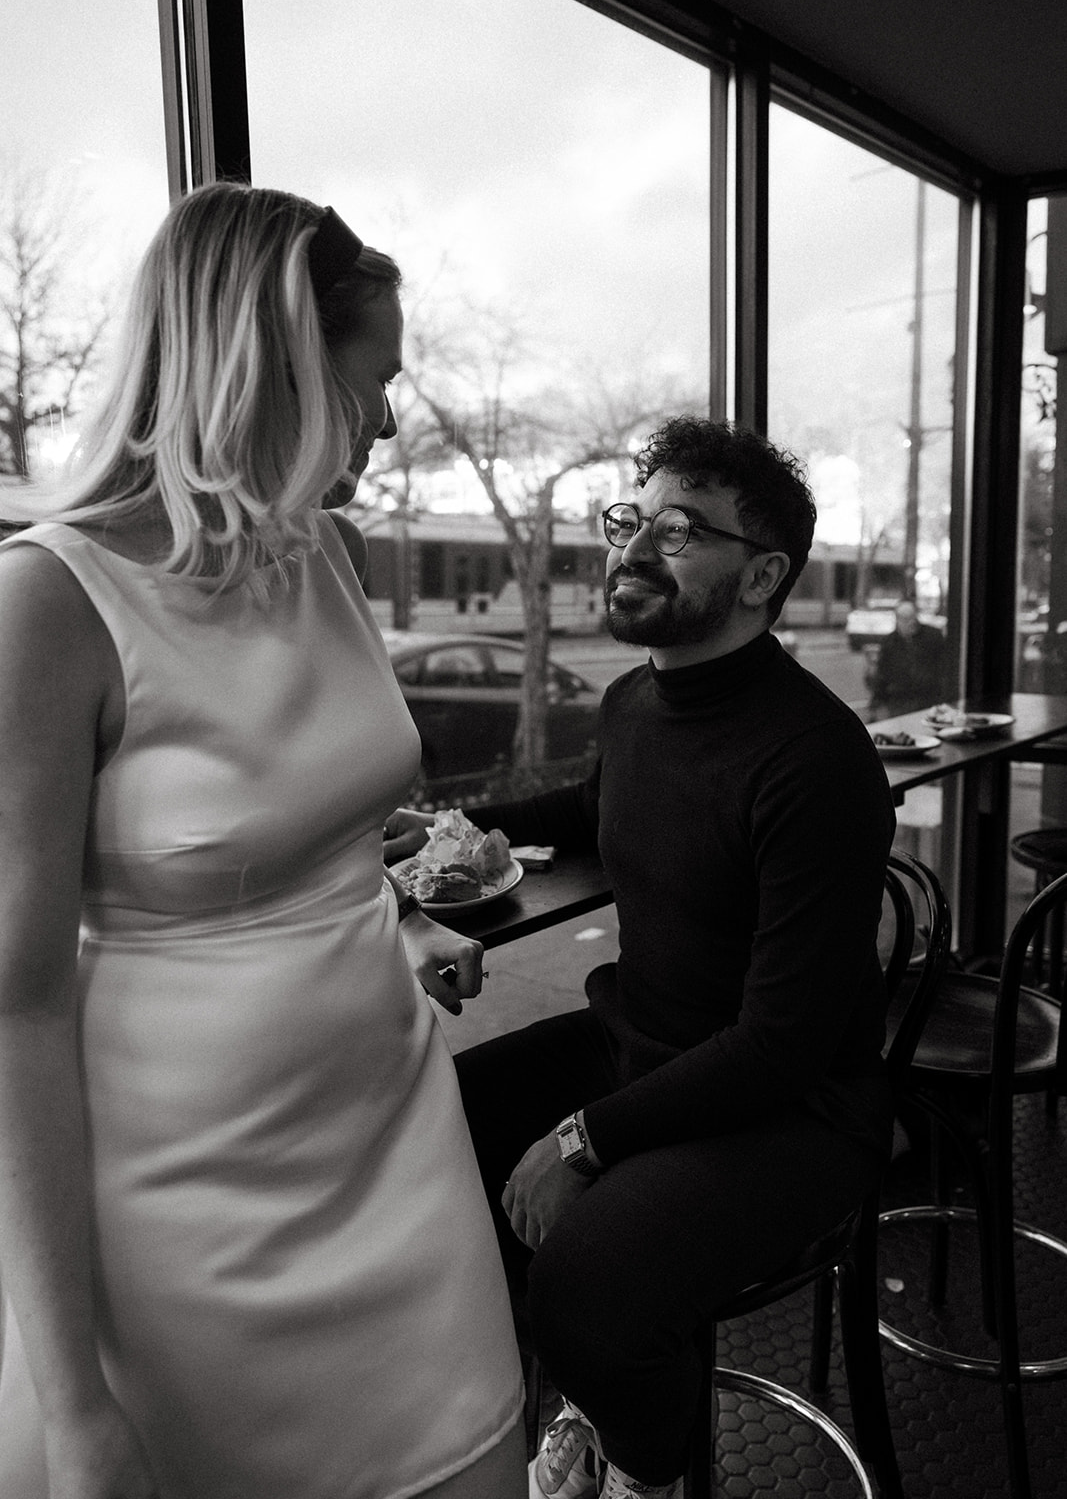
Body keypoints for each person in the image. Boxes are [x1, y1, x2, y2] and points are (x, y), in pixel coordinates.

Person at [0, 183, 527, 1499]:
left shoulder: (326, 559)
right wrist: (70, 1402)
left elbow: (331, 830)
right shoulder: (49, 602)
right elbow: (12, 1010)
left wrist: (402, 918)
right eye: (377, 379)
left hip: (396, 1133)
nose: (394, 417)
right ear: (280, 356)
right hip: (186, 1206)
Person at [387, 418, 898, 1499]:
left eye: (677, 533)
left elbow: (784, 1041)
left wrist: (581, 1138)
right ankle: (593, 1392)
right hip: (646, 1045)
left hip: (789, 1110)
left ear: (761, 575)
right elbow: (590, 806)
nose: (627, 551)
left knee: (589, 1277)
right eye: (630, 521)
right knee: (432, 1126)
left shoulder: (814, 759)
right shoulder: (633, 702)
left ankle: (639, 1466)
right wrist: (441, 827)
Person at [867, 597, 947, 720]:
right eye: (906, 619)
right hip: (899, 700)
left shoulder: (933, 636)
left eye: (913, 617)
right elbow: (882, 674)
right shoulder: (889, 642)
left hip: (927, 699)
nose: (911, 623)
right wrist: (876, 702)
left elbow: (943, 667)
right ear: (897, 620)